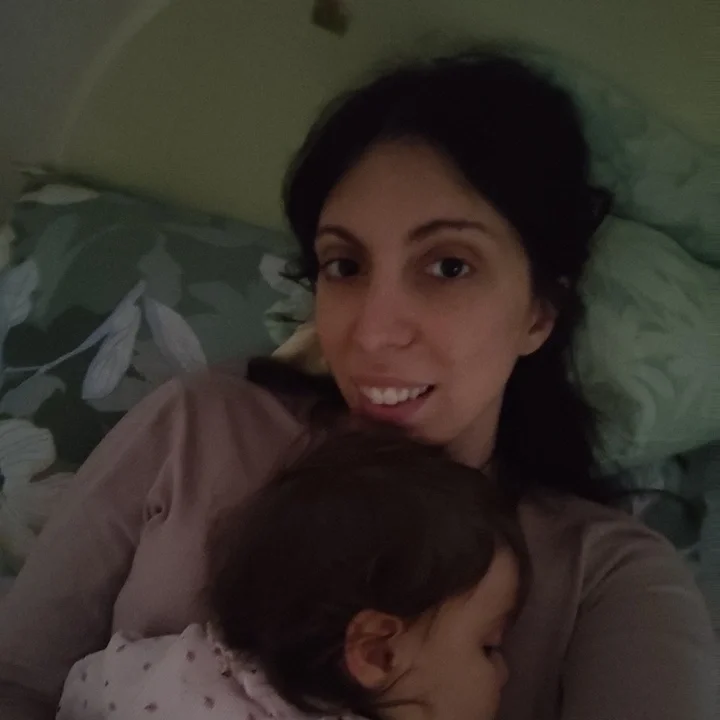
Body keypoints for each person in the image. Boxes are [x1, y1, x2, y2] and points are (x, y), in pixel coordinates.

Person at [0, 50, 714, 720]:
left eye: (449, 266)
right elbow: (18, 679)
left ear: (538, 313)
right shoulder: (201, 427)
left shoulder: (609, 580)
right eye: (344, 266)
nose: (371, 334)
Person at [57, 428, 527, 720]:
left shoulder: (155, 666)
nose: (505, 673)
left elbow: (80, 689)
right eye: (488, 647)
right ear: (378, 651)